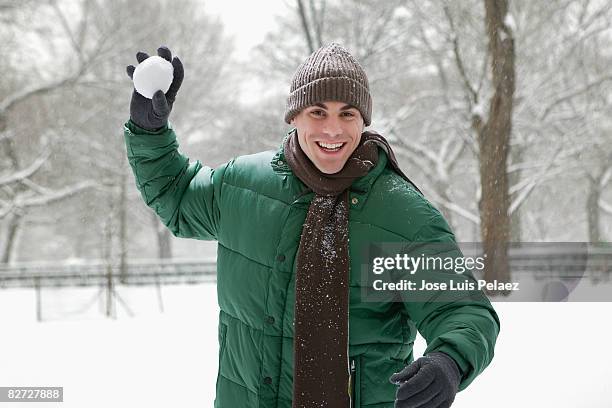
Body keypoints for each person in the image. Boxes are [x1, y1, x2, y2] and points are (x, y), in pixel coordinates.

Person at [124, 43, 500, 408]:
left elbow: (462, 310)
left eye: (347, 113)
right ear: (294, 116)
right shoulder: (242, 187)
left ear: (363, 121)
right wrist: (149, 132)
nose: (333, 130)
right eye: (318, 112)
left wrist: (449, 361)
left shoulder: (401, 215)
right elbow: (176, 194)